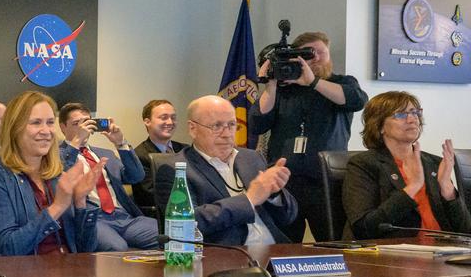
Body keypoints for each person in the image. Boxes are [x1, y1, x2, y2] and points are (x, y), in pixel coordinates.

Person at [250, 31, 367, 242]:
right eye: (310, 54)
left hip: (325, 181)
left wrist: (313, 82)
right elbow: (258, 122)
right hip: (286, 180)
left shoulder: (342, 83)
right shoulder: (284, 91)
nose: (318, 58)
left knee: (333, 241)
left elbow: (356, 100)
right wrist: (271, 84)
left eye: (323, 53)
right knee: (283, 243)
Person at [156, 95, 298, 246]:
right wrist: (249, 199)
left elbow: (288, 217)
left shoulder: (252, 158)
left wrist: (273, 193)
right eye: (216, 126)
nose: (226, 134)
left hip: (276, 252)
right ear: (193, 129)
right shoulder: (175, 169)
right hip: (229, 256)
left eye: (231, 125)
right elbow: (187, 224)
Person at [0, 92, 101, 256]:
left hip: (68, 270)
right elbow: (9, 248)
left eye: (50, 123)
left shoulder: (59, 171)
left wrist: (80, 202)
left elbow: (87, 248)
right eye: (36, 123)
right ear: (14, 129)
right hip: (22, 275)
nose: (46, 131)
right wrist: (57, 207)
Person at [342, 91, 470, 240]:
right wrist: (413, 187)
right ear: (379, 125)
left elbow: (465, 230)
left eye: (415, 112)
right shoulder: (363, 164)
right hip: (393, 255)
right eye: (401, 114)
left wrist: (447, 189)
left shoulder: (434, 163)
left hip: (442, 253)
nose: (412, 119)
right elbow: (364, 228)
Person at [57, 102, 159, 251]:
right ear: (62, 127)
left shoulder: (105, 154)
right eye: (76, 124)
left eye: (86, 122)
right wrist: (76, 142)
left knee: (172, 235)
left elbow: (136, 176)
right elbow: (58, 175)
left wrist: (120, 143)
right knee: (117, 248)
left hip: (123, 216)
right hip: (94, 219)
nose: (83, 128)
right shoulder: (55, 156)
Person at [132, 99, 186, 211]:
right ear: (147, 122)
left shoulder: (186, 150)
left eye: (173, 117)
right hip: (162, 214)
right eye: (164, 117)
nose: (170, 122)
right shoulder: (139, 155)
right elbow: (150, 195)